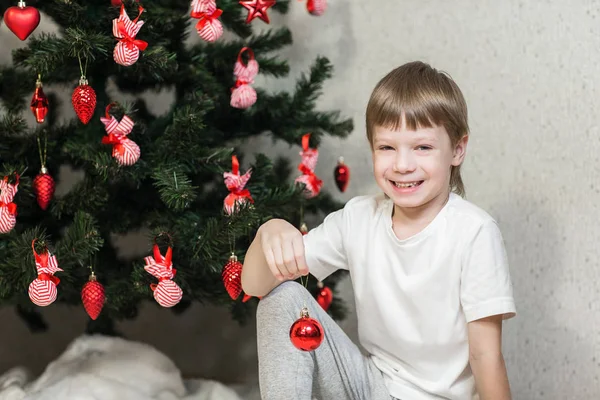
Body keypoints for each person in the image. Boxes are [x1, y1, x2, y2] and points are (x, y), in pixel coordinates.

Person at [241, 61, 516, 400]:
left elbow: (486, 356)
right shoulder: (360, 218)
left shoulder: (474, 233)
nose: (402, 165)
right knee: (283, 297)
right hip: (370, 388)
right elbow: (253, 285)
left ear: (457, 150)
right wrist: (268, 230)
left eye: (423, 147)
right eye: (387, 147)